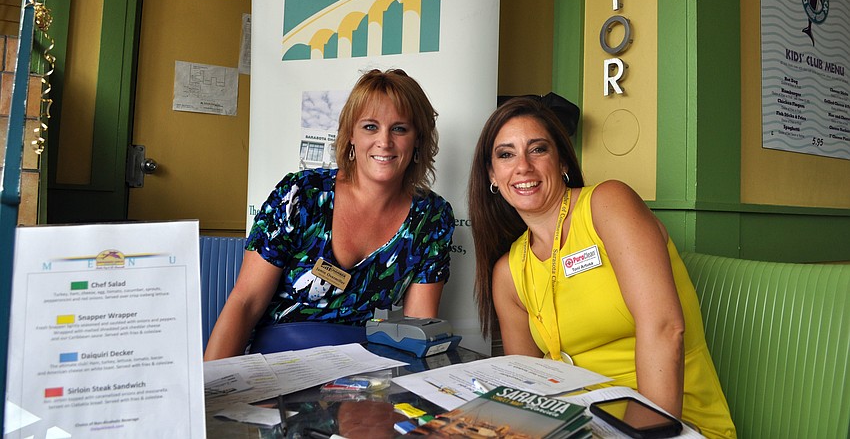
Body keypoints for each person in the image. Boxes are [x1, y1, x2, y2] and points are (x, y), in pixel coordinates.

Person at [468, 96, 736, 439]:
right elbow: (528, 380)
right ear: (492, 175)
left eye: (538, 149)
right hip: (578, 424)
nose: (523, 166)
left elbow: (665, 328)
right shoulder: (508, 272)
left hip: (672, 422)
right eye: (506, 155)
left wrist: (645, 433)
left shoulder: (608, 204)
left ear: (562, 161)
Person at [204, 69, 454, 361]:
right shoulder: (301, 195)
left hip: (361, 369)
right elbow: (245, 303)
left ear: (418, 139)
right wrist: (214, 382)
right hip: (276, 360)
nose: (384, 141)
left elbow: (417, 330)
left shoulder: (432, 217)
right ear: (351, 135)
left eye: (399, 129)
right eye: (370, 127)